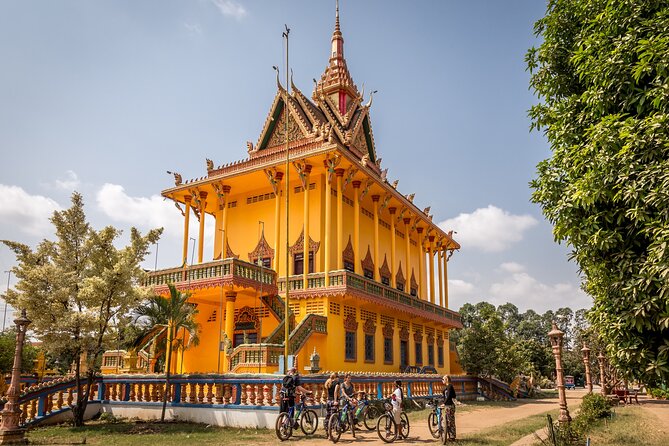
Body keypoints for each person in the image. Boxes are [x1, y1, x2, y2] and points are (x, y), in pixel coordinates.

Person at [335, 373, 357, 438]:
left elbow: (354, 392)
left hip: (350, 398)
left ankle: (353, 419)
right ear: (345, 378)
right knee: (343, 412)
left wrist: (357, 393)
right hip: (344, 399)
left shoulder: (351, 384)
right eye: (348, 378)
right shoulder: (342, 385)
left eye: (350, 378)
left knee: (355, 405)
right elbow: (343, 393)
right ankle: (340, 423)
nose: (350, 379)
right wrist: (348, 398)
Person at [442, 374, 457, 441]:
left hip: (450, 406)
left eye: (443, 379)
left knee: (450, 422)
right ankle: (449, 436)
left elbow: (449, 396)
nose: (442, 380)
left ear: (446, 380)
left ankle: (452, 437)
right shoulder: (447, 387)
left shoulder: (450, 386)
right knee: (448, 421)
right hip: (447, 406)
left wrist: (444, 403)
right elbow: (451, 395)